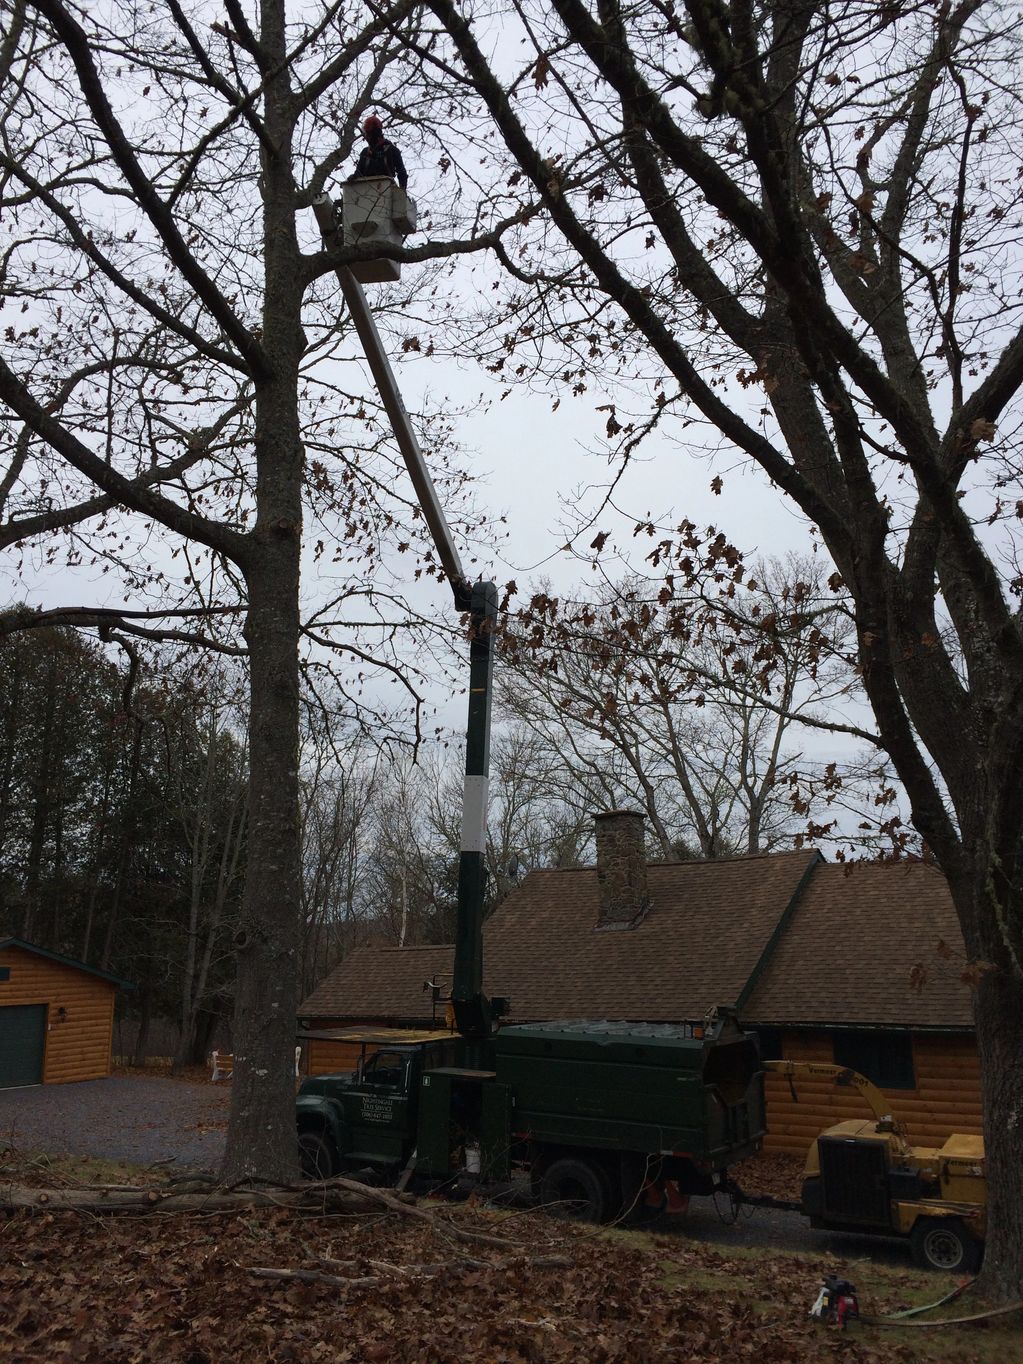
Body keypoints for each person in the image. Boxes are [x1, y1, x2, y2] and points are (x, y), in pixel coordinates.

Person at [353, 115, 408, 191]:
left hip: (387, 190)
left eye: (368, 134)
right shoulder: (365, 152)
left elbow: (401, 172)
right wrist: (354, 177)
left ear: (375, 133)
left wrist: (402, 191)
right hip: (366, 191)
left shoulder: (392, 150)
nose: (367, 137)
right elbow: (359, 172)